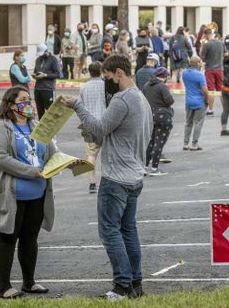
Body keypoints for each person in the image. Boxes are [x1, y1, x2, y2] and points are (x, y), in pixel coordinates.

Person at [61, 54, 153, 301]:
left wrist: (77, 106)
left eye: (108, 76)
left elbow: (101, 127)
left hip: (116, 178)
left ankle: (122, 286)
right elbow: (112, 133)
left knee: (110, 231)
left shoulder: (122, 99)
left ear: (119, 73)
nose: (106, 82)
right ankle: (135, 284)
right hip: (134, 174)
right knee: (128, 230)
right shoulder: (142, 99)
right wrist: (93, 134)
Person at [0, 86, 58, 299]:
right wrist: (30, 171)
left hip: (37, 195)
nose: (29, 104)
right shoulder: (1, 127)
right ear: (11, 105)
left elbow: (52, 152)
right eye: (24, 100)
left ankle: (29, 282)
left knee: (30, 239)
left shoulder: (37, 126)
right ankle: (4, 287)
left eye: (30, 99)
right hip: (11, 195)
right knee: (8, 238)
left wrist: (66, 161)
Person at [79, 62, 106, 193]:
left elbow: (81, 107)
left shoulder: (83, 87)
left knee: (91, 155)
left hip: (89, 124)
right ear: (101, 71)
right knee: (108, 153)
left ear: (89, 72)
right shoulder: (105, 86)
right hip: (105, 123)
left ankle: (92, 183)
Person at [142, 66, 174, 176]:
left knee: (150, 142)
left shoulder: (146, 85)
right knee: (159, 142)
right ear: (164, 77)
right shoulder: (162, 86)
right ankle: (155, 168)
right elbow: (170, 101)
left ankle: (145, 167)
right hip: (163, 117)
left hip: (149, 116)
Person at [182, 56, 208, 151]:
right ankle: (194, 143)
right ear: (197, 64)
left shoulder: (184, 73)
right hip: (199, 101)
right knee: (198, 123)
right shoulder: (200, 75)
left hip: (188, 100)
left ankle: (185, 143)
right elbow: (205, 90)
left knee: (188, 122)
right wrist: (207, 100)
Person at [200, 28, 225, 116]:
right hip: (220, 69)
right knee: (221, 90)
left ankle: (210, 110)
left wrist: (202, 46)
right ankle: (225, 109)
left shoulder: (207, 44)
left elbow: (202, 57)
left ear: (206, 35)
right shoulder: (221, 43)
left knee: (211, 90)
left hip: (210, 69)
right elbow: (225, 54)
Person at [33, 43, 61, 120]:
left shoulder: (53, 59)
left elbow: (58, 74)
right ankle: (41, 130)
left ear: (46, 51)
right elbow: (36, 71)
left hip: (48, 89)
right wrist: (35, 75)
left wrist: (45, 75)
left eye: (42, 53)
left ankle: (51, 129)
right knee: (40, 112)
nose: (41, 55)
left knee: (50, 112)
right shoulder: (38, 60)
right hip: (38, 89)